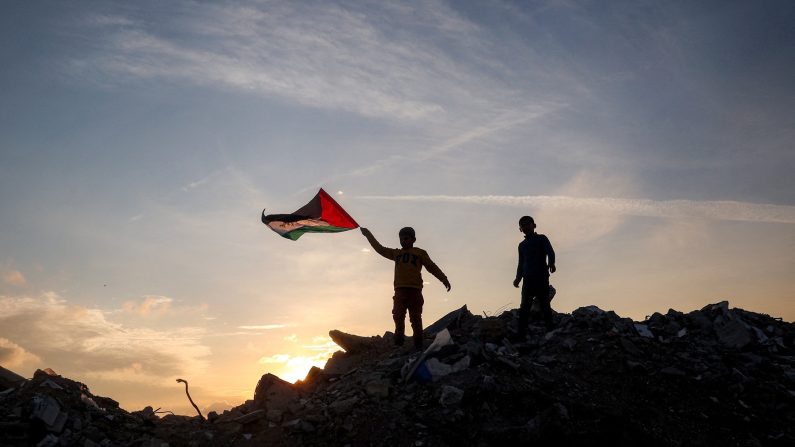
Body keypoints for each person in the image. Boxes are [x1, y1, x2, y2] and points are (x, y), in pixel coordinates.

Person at [361, 226, 451, 350]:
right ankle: (399, 344)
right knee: (398, 316)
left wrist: (443, 278)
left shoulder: (420, 253)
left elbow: (431, 267)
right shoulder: (396, 253)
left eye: (406, 238)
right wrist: (368, 235)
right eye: (401, 238)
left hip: (415, 291)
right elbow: (380, 249)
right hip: (399, 291)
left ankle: (419, 346)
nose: (403, 240)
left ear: (413, 239)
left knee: (415, 319)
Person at [513, 215, 556, 336]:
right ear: (520, 229)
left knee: (544, 305)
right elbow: (521, 263)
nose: (526, 227)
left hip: (541, 277)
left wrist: (551, 263)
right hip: (528, 280)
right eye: (523, 225)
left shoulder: (542, 239)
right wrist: (518, 278)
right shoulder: (521, 246)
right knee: (524, 307)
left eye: (528, 224)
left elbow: (550, 251)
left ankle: (550, 330)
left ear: (534, 225)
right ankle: (521, 334)